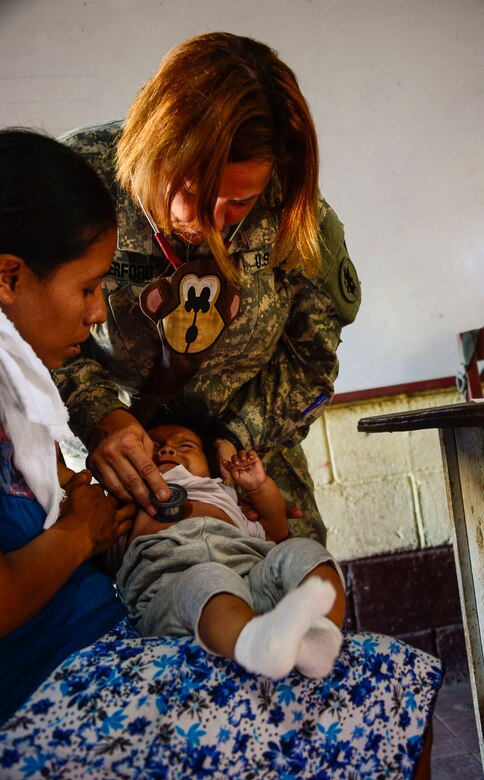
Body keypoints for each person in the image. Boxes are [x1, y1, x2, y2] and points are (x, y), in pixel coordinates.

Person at [55, 31, 362, 543]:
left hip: (249, 471)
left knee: (292, 596)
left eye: (240, 202)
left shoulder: (294, 206)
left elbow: (312, 362)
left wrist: (238, 440)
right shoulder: (79, 180)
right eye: (195, 191)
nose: (215, 222)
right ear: (157, 147)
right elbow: (20, 332)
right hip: (111, 472)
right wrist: (97, 413)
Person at [0, 128, 136, 725]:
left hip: (100, 644)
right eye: (86, 286)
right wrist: (82, 533)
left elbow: (55, 492)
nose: (99, 309)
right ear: (8, 278)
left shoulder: (19, 385)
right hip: (48, 696)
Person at [115, 411, 345, 680]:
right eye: (150, 447)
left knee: (304, 552)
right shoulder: (126, 504)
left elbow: (277, 530)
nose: (166, 449)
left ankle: (318, 636)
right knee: (206, 578)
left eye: (185, 446)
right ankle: (256, 646)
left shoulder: (224, 494)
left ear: (211, 467)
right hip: (174, 595)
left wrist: (259, 487)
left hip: (251, 579)